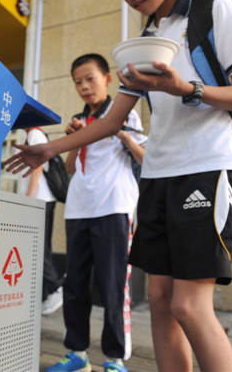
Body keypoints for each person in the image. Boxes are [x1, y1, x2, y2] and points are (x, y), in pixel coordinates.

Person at [5, 0, 232, 372]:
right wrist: (51, 149)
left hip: (208, 169)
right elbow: (112, 121)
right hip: (157, 177)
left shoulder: (213, 9)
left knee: (189, 306)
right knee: (160, 302)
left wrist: (187, 88)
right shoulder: (147, 37)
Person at [47, 54, 146, 372]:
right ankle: (77, 354)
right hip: (78, 209)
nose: (84, 86)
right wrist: (73, 137)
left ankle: (115, 359)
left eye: (90, 78)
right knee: (74, 283)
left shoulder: (125, 113)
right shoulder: (79, 117)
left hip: (114, 208)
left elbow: (145, 158)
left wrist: (120, 132)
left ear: (107, 78)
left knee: (112, 284)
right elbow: (70, 167)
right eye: (78, 81)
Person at [23, 127, 64, 315]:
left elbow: (37, 166)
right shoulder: (32, 135)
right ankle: (47, 293)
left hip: (40, 200)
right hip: (43, 200)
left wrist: (29, 198)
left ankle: (55, 288)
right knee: (39, 247)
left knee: (38, 248)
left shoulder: (34, 134)